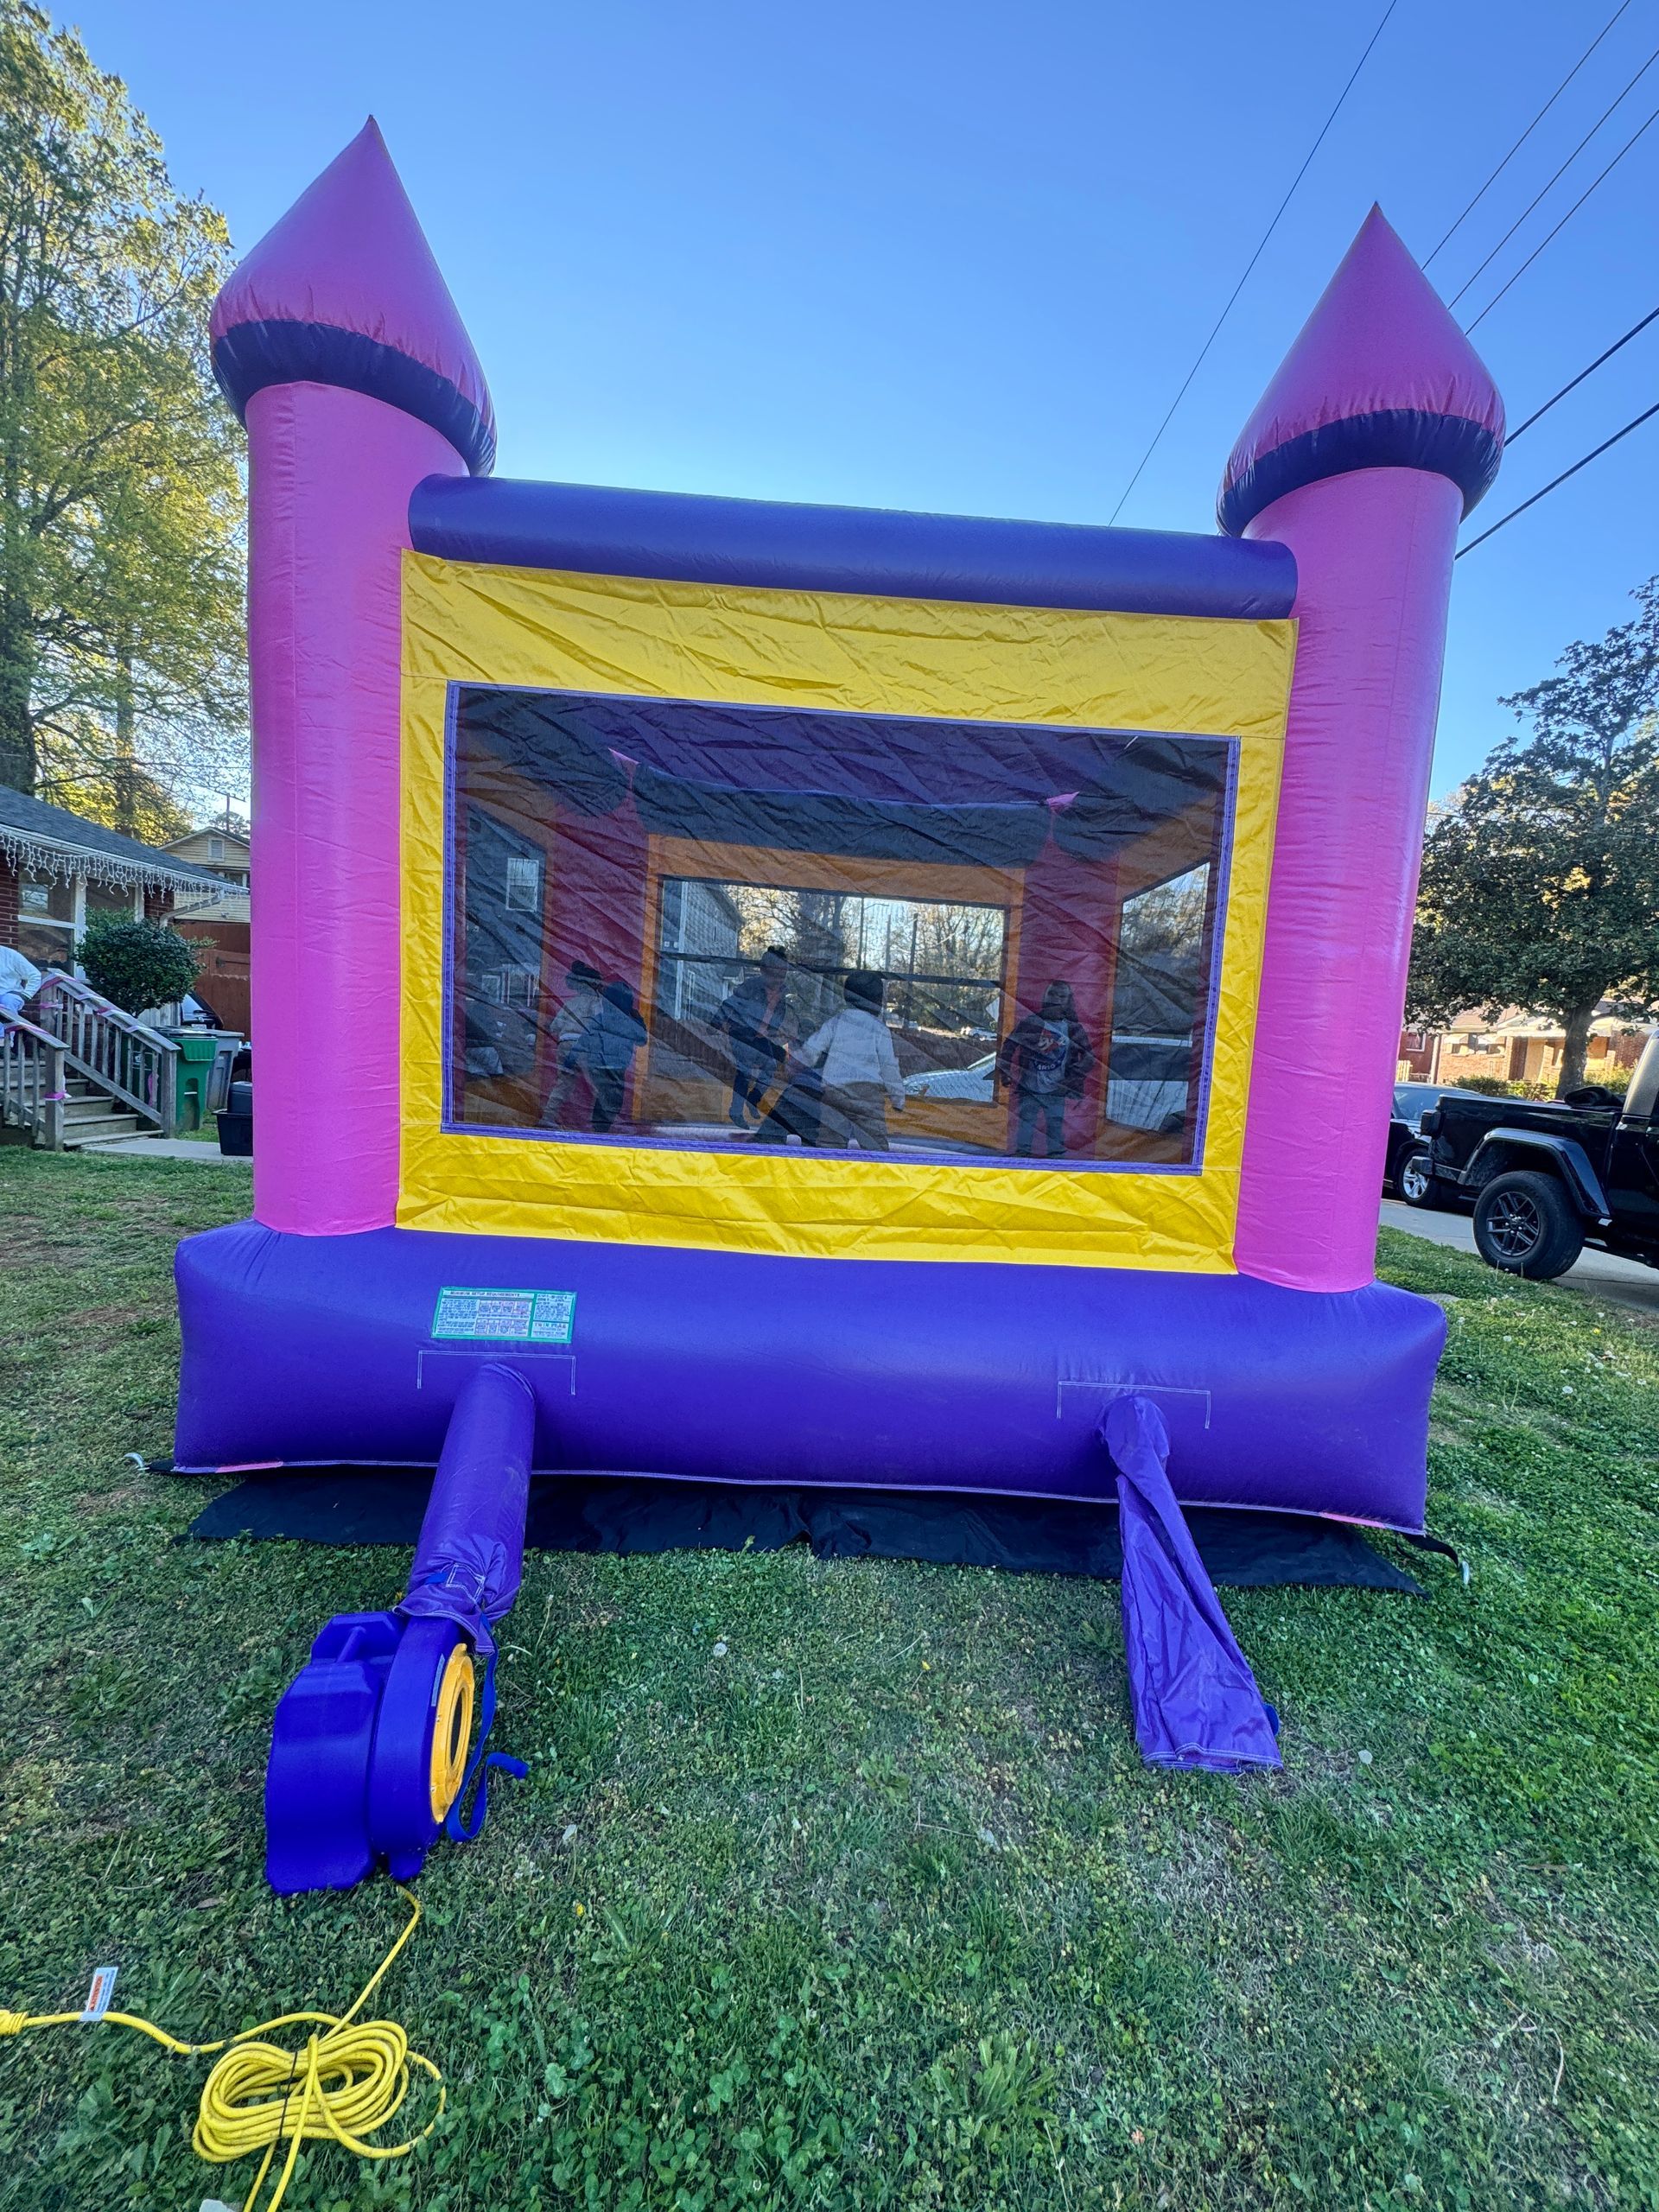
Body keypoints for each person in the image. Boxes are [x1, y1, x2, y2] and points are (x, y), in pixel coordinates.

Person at [796, 970, 905, 1151]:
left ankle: (829, 1172)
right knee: (874, 1143)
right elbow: (889, 1067)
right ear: (877, 1001)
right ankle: (875, 1174)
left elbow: (811, 1049)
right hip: (867, 1095)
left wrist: (795, 1063)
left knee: (830, 1142)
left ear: (847, 997)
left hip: (834, 1091)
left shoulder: (836, 1022)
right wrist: (898, 1098)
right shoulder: (879, 1029)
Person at [996, 982, 1095, 1158]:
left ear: (1068, 1001)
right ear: (1044, 997)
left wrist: (1070, 1081)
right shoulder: (1031, 1023)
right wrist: (1005, 1070)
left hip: (1056, 1089)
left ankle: (1056, 1163)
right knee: (1025, 1125)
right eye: (1052, 994)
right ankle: (1020, 1160)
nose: (1056, 999)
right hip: (1029, 1086)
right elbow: (1009, 1046)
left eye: (1061, 996)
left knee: (1055, 1127)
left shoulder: (1072, 1028)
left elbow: (1088, 1057)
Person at [712, 947, 791, 1127]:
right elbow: (730, 1003)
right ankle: (736, 1111)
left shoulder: (782, 995)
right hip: (743, 1033)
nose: (779, 979)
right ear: (764, 971)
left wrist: (773, 1032)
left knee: (770, 1065)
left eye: (782, 974)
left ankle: (753, 1098)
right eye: (775, 974)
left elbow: (778, 1016)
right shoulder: (752, 986)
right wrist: (716, 1023)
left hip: (761, 1037)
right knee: (745, 1070)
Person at [563, 980, 647, 1133]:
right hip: (616, 1068)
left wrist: (570, 1059)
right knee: (613, 1100)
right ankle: (601, 1130)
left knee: (603, 1097)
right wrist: (638, 1019)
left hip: (597, 1065)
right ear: (629, 1002)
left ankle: (599, 1129)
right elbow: (642, 1039)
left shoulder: (600, 1018)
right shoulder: (629, 1023)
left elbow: (584, 1039)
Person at [540, 960, 603, 1126]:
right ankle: (600, 1123)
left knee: (563, 1083)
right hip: (582, 1046)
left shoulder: (571, 1002)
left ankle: (547, 1117)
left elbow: (555, 1027)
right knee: (594, 1084)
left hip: (564, 1045)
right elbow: (598, 1022)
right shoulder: (595, 1001)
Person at [0, 942, 41, 1020]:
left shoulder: (10, 955)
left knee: (7, 1001)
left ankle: (8, 1030)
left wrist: (26, 995)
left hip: (8, 994)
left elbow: (35, 975)